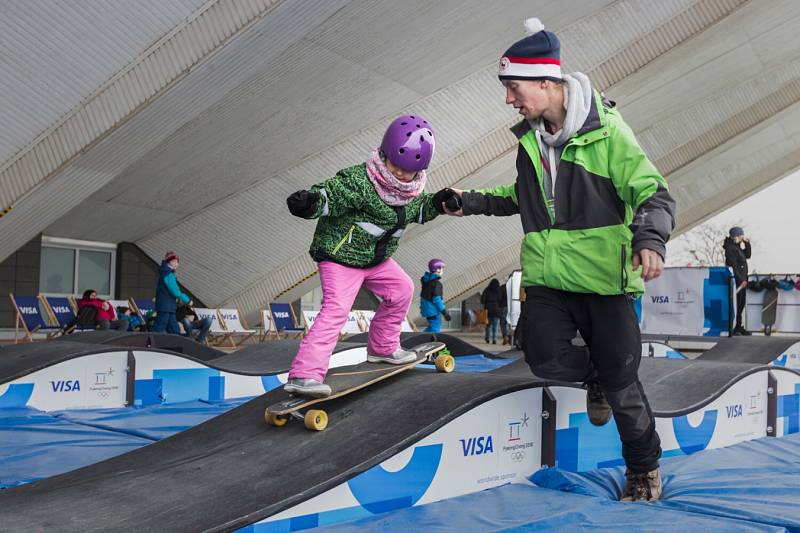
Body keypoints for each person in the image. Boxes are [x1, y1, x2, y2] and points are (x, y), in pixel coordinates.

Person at [434, 18, 676, 501]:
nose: (509, 100)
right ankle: (596, 377)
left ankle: (643, 469)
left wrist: (649, 239)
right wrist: (472, 200)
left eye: (514, 88)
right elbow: (524, 196)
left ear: (547, 82)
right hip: (548, 278)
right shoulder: (530, 139)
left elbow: (654, 191)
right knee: (543, 356)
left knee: (624, 385)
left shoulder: (608, 135)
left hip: (604, 282)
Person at [284, 114, 447, 398]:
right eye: (394, 166)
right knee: (336, 310)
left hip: (375, 260)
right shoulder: (360, 180)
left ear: (419, 172)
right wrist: (311, 202)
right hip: (340, 257)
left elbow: (420, 209)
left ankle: (383, 348)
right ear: (383, 155)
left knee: (403, 289)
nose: (397, 174)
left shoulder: (411, 193)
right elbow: (332, 195)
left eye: (406, 171)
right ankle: (304, 375)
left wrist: (438, 203)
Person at [153, 251, 191, 335]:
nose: (177, 264)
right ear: (171, 261)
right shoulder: (168, 274)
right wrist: (187, 300)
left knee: (174, 328)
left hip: (168, 306)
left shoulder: (166, 273)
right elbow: (176, 292)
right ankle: (149, 344)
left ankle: (178, 344)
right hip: (165, 306)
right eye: (176, 261)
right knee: (159, 327)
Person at [724, 226, 752, 336]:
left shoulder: (737, 247)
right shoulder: (731, 248)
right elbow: (733, 266)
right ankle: (734, 327)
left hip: (742, 280)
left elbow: (748, 255)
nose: (742, 238)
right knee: (737, 303)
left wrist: (747, 244)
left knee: (741, 303)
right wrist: (740, 280)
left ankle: (739, 326)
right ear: (736, 236)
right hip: (737, 281)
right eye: (741, 236)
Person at [420, 259, 451, 333]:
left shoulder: (427, 281)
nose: (442, 271)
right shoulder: (436, 284)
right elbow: (437, 299)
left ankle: (420, 338)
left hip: (427, 309)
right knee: (435, 330)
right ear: (437, 269)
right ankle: (419, 340)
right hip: (433, 310)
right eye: (441, 268)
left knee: (432, 328)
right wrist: (444, 312)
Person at [480, 279, 502, 344]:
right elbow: (500, 299)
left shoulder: (486, 290)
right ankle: (494, 339)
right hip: (496, 309)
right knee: (495, 326)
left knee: (488, 325)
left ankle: (487, 338)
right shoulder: (498, 290)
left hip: (488, 310)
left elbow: (482, 300)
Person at [499, 280, 511, 345]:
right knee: (510, 323)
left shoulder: (503, 287)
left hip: (503, 306)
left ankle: (505, 336)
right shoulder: (513, 287)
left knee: (503, 323)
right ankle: (511, 337)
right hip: (512, 306)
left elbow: (499, 298)